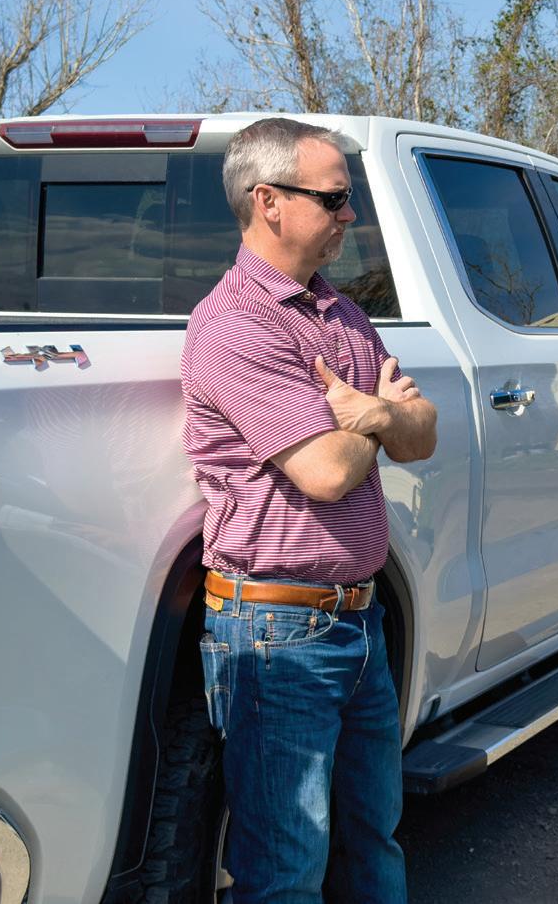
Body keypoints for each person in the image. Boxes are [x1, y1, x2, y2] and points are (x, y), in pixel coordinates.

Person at [181, 117, 438, 903]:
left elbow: (422, 432)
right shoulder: (234, 325)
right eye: (332, 198)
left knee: (372, 842)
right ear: (268, 202)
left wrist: (374, 413)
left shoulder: (340, 313)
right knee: (285, 869)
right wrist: (376, 418)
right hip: (278, 633)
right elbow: (326, 472)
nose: (348, 214)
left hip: (358, 619)